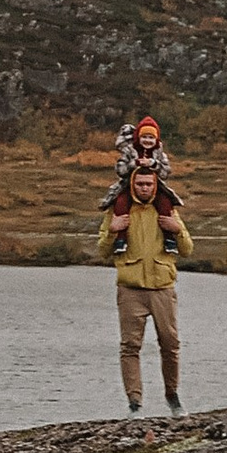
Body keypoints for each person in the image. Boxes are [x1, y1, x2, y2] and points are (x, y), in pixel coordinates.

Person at [96, 164, 191, 415]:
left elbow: (188, 249)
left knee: (170, 344)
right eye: (140, 184)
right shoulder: (119, 210)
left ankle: (172, 396)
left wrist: (177, 229)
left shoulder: (167, 208)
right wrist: (112, 231)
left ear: (156, 184)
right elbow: (103, 250)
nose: (145, 188)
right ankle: (135, 403)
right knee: (130, 346)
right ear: (133, 184)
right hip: (130, 289)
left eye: (149, 184)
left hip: (162, 287)